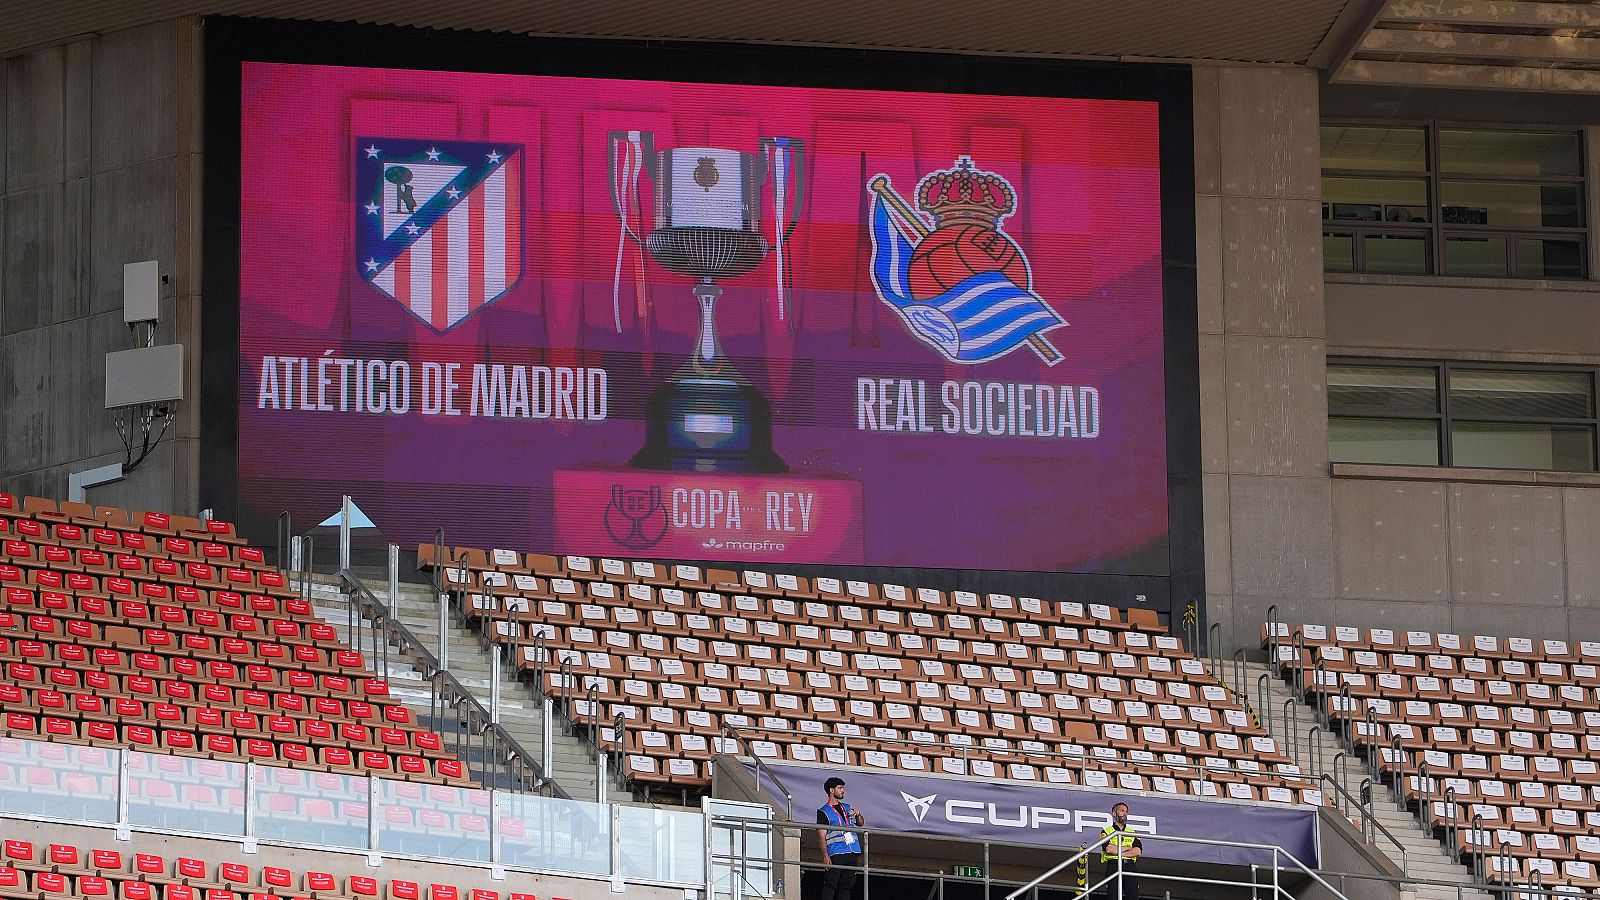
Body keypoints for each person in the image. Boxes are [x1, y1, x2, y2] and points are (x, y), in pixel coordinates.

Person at [815, 777, 866, 900]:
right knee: (831, 883)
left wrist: (858, 815)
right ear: (831, 790)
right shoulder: (823, 811)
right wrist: (825, 856)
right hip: (836, 852)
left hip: (852, 851)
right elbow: (821, 836)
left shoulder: (848, 807)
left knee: (847, 886)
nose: (843, 791)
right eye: (840, 788)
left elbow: (860, 823)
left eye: (843, 788)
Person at [1099, 801, 1142, 900]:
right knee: (1113, 896)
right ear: (1114, 813)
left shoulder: (1132, 832)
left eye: (1126, 811)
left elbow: (1137, 851)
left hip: (1129, 866)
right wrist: (1126, 848)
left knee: (1133, 896)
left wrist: (1118, 850)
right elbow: (1109, 849)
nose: (1125, 813)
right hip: (1113, 866)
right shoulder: (1106, 831)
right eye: (1122, 811)